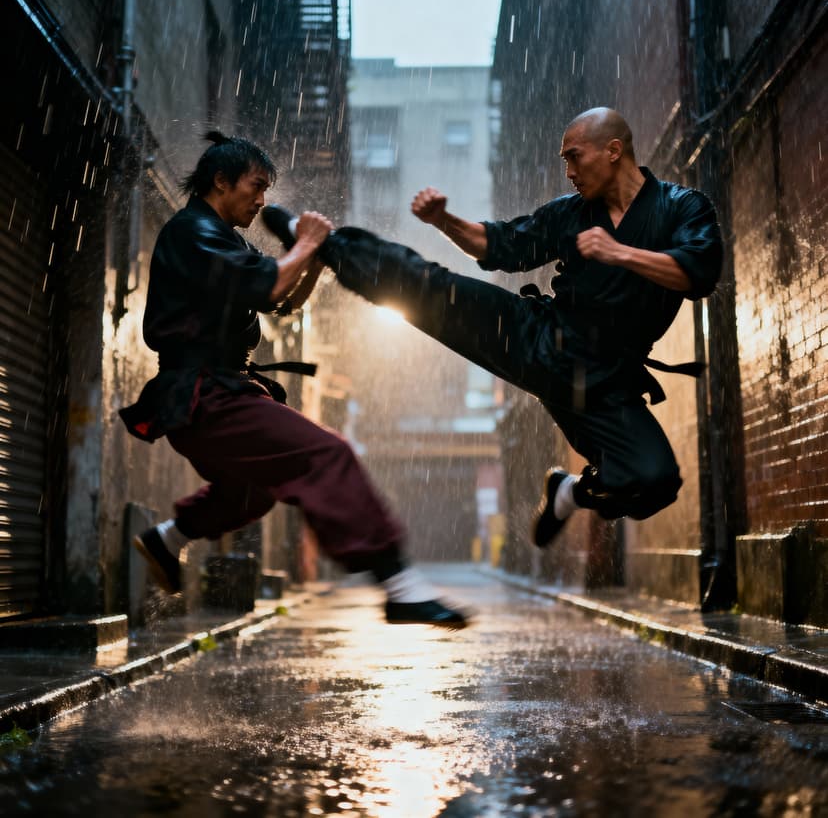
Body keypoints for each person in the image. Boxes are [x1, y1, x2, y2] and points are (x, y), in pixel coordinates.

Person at [261, 107, 723, 547]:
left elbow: (698, 272)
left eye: (574, 157)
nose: (569, 171)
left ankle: (568, 493)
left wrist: (618, 252)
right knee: (432, 290)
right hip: (540, 340)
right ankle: (325, 244)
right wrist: (443, 221)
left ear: (614, 150)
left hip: (606, 381)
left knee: (656, 481)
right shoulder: (571, 212)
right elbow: (499, 245)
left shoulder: (682, 208)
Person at [120, 131, 467, 629]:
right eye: (256, 186)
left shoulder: (223, 238)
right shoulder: (191, 232)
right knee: (328, 454)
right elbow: (267, 284)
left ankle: (167, 539)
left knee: (255, 490)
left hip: (216, 393)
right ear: (221, 180)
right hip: (203, 395)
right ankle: (400, 586)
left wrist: (315, 259)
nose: (262, 201)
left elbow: (281, 300)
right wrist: (304, 243)